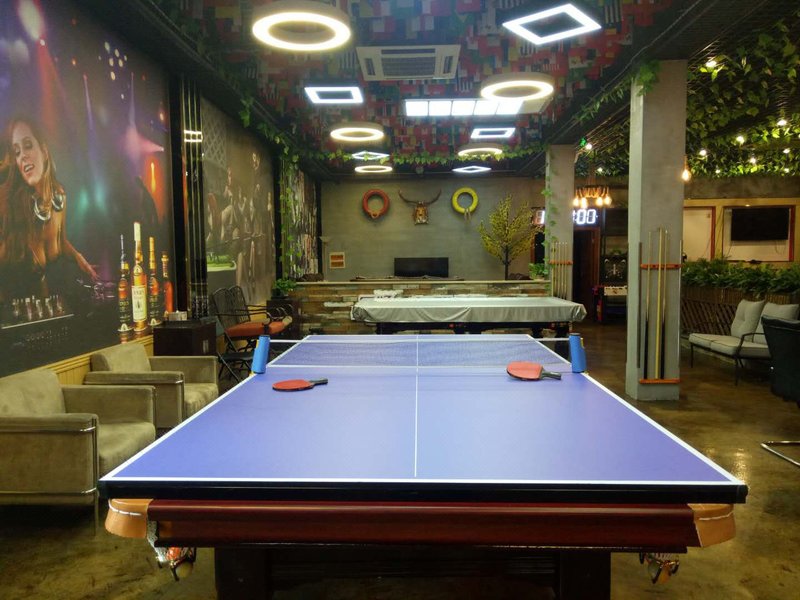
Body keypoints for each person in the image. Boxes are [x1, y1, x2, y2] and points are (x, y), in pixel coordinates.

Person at [0, 116, 97, 301]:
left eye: (28, 145)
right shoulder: (10, 204)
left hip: (47, 298)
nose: (22, 156)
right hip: (16, 302)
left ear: (44, 151)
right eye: (17, 152)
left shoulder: (59, 196)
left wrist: (78, 257)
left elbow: (61, 240)